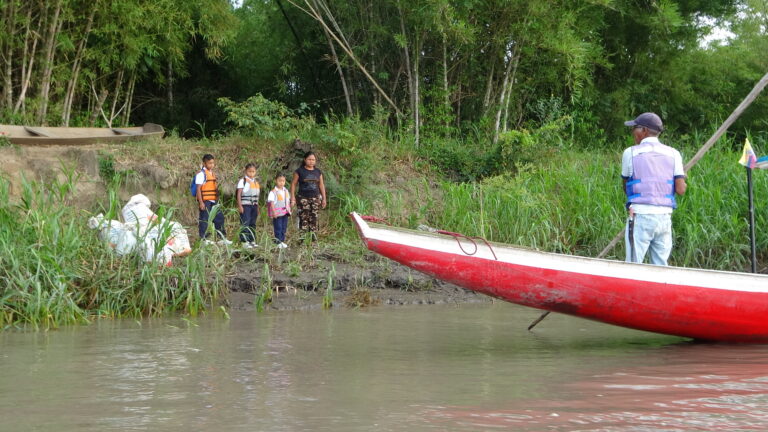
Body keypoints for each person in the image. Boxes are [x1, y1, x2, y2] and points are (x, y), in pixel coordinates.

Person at [621, 112, 687, 265]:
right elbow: (681, 189)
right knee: (660, 267)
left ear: (644, 130)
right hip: (664, 218)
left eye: (635, 128)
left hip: (640, 216)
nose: (633, 132)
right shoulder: (674, 154)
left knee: (633, 266)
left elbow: (626, 187)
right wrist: (683, 177)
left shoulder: (630, 152)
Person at [195, 154, 231, 245]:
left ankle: (222, 238)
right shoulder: (201, 174)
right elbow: (198, 189)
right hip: (205, 201)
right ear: (204, 163)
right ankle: (203, 239)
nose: (211, 165)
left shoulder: (212, 173)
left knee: (219, 218)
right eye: (209, 163)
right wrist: (201, 202)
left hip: (213, 200)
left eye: (213, 163)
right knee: (204, 219)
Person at [290, 151, 326, 236]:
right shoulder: (299, 171)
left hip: (315, 198)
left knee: (314, 218)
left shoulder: (318, 172)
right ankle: (302, 239)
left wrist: (324, 198)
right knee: (303, 218)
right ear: (305, 160)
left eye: (313, 160)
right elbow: (293, 184)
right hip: (303, 198)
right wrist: (292, 197)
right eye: (309, 159)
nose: (311, 161)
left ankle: (313, 239)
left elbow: (321, 185)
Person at [236, 163, 260, 249]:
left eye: (253, 171)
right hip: (245, 205)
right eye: (249, 171)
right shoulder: (243, 181)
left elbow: (257, 197)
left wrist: (257, 207)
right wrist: (240, 206)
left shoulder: (256, 182)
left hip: (254, 205)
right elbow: (238, 194)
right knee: (245, 222)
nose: (251, 173)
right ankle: (244, 241)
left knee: (252, 223)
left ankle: (252, 240)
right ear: (246, 171)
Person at [267, 173, 292, 249]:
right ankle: (278, 242)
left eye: (283, 181)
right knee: (278, 227)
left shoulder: (286, 191)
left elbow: (287, 201)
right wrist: (274, 212)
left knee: (284, 227)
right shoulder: (273, 192)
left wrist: (290, 209)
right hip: (277, 213)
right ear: (276, 181)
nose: (281, 183)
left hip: (285, 213)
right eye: (279, 181)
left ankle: (282, 241)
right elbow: (271, 203)